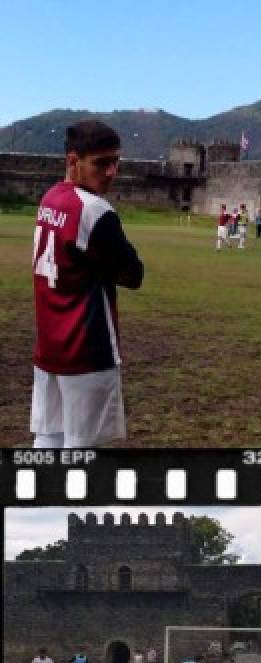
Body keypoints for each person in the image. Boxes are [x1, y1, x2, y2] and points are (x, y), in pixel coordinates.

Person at [30, 122, 145, 450]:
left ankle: (31, 501)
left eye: (116, 161)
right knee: (82, 448)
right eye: (100, 163)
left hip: (50, 344)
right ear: (73, 160)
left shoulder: (50, 197)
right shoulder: (95, 210)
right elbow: (133, 275)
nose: (111, 172)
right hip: (86, 345)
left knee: (49, 436)